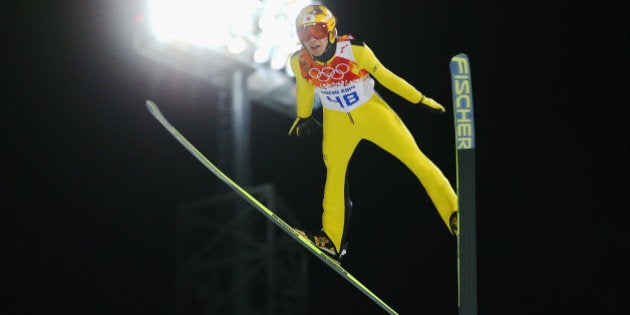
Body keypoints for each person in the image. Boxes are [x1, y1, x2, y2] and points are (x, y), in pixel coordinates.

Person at [289, 4, 458, 260]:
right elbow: (304, 90)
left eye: (318, 30)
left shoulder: (354, 50)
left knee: (416, 159)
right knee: (334, 175)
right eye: (304, 33)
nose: (311, 39)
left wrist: (421, 100)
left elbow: (388, 78)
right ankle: (332, 240)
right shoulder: (299, 60)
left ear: (331, 30)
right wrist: (303, 115)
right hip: (337, 123)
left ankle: (454, 213)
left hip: (372, 113)